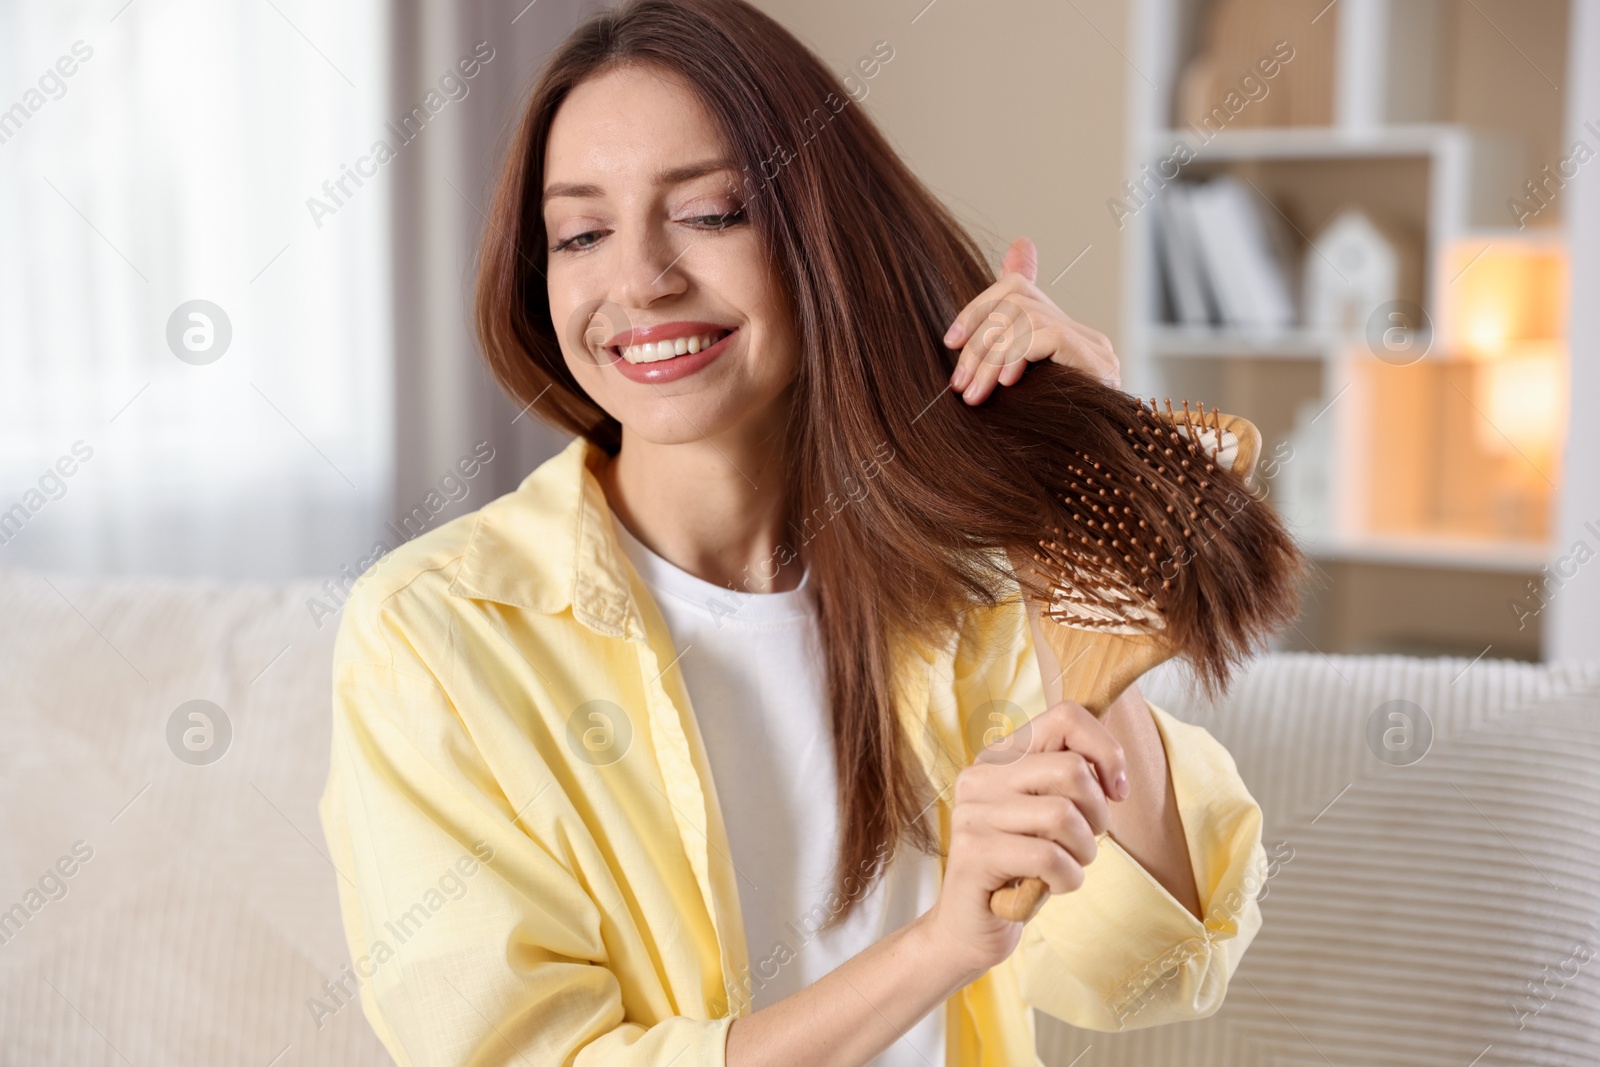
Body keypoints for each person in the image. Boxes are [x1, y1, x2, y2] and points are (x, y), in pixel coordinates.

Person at [319, 1, 1270, 1064]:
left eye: (711, 212)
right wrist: (943, 944)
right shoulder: (437, 632)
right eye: (580, 232)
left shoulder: (968, 600)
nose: (637, 279)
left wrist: (1067, 514)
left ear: (825, 238)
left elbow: (1146, 971)